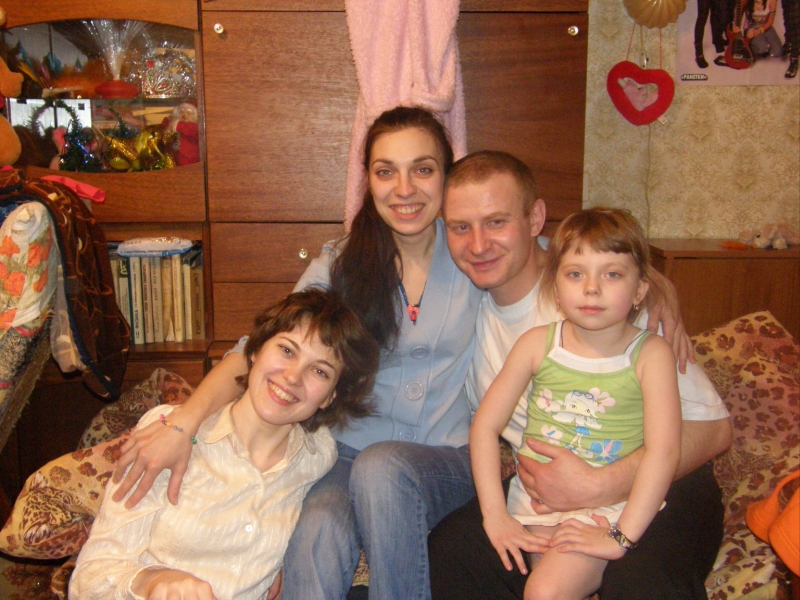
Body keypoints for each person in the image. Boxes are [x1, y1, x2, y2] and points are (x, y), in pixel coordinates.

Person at [108, 106, 483, 600]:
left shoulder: (478, 253)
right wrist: (183, 423)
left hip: (446, 456)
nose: (404, 189)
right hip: (347, 454)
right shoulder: (343, 264)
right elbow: (259, 350)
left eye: (423, 169)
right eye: (385, 171)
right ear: (368, 182)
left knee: (383, 469)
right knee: (318, 528)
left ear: (447, 176)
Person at [430, 150, 732, 600]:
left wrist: (599, 484)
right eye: (460, 227)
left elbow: (715, 430)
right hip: (548, 489)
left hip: (664, 483)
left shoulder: (604, 302)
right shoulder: (458, 303)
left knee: (638, 585)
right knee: (454, 550)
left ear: (535, 219)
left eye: (496, 222)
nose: (477, 245)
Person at [69, 289, 380, 600]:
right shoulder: (170, 434)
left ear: (329, 396)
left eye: (320, 371)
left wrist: (283, 562)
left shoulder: (318, 456)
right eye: (287, 350)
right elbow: (87, 580)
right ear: (254, 352)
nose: (292, 377)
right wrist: (151, 581)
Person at [470, 208, 682, 600]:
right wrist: (494, 515)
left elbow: (664, 452)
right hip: (535, 506)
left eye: (612, 274)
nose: (592, 288)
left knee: (544, 592)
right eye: (575, 274)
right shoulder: (536, 344)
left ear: (639, 290)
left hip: (608, 512)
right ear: (555, 285)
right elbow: (484, 427)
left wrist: (620, 537)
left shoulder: (652, 355)